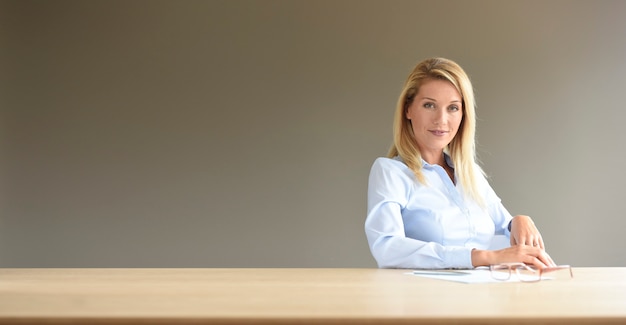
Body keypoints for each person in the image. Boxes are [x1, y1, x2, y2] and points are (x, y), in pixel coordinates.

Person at [364, 57, 555, 269]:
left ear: (464, 114)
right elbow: (387, 248)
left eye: (453, 108)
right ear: (408, 109)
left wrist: (519, 220)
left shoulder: (469, 173)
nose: (441, 120)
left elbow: (506, 228)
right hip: (424, 298)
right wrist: (481, 257)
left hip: (484, 296)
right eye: (429, 105)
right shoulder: (391, 172)